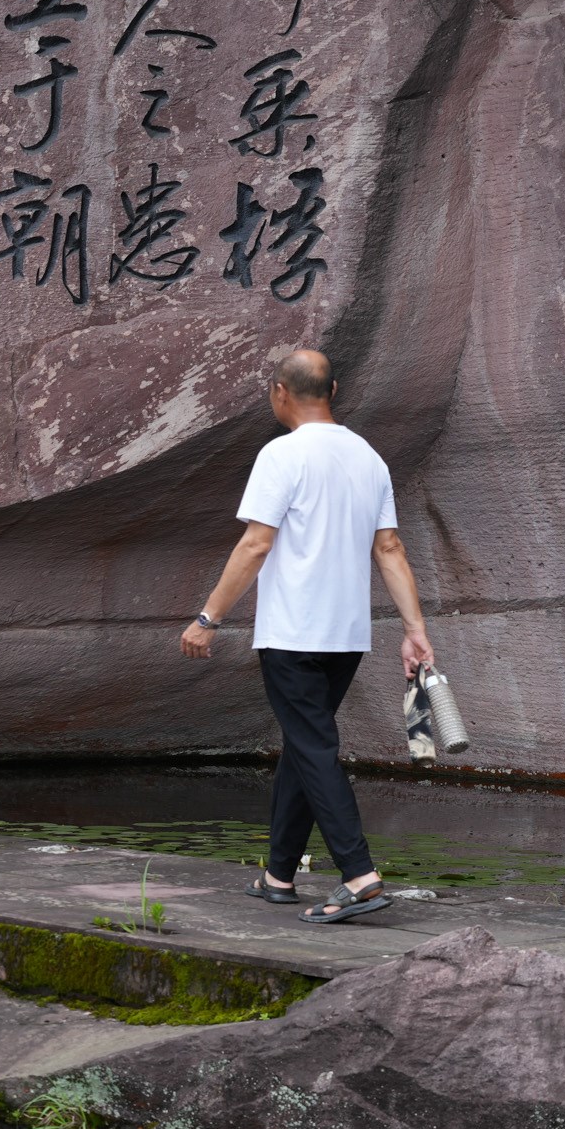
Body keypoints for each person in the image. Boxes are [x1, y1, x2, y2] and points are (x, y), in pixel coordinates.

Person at [177, 346, 437, 923]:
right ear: (335, 390)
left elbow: (255, 543)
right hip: (346, 636)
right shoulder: (370, 458)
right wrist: (414, 630)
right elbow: (389, 548)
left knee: (314, 746)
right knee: (305, 744)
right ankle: (279, 874)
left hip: (294, 632)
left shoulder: (282, 454)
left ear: (279, 393)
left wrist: (208, 618)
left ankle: (359, 874)